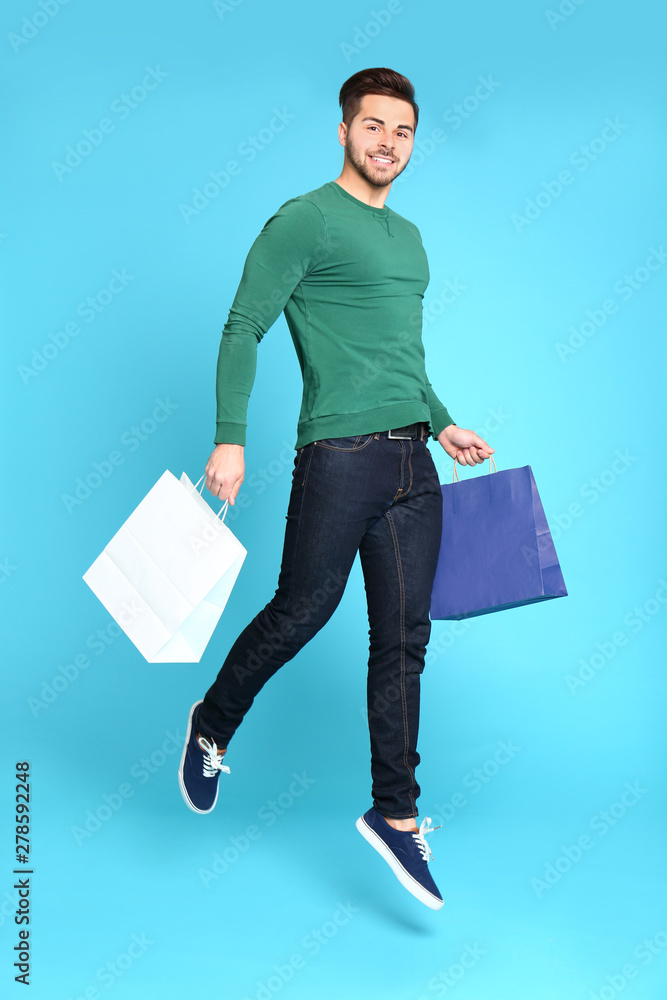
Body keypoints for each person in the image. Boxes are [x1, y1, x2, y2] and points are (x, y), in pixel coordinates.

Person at [178, 67, 494, 910]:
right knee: (301, 610)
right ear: (344, 131)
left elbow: (402, 359)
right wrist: (230, 439)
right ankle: (212, 721)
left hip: (413, 462)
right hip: (340, 456)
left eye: (403, 132)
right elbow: (242, 325)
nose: (388, 143)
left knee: (402, 640)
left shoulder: (412, 240)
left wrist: (442, 418)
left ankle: (395, 814)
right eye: (373, 127)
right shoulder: (304, 220)